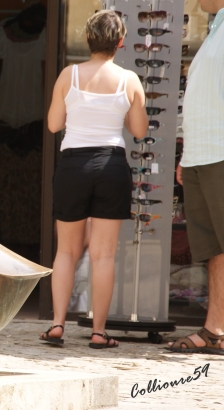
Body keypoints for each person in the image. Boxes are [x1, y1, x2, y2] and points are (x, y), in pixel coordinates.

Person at [40, 10, 147, 348]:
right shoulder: (129, 79)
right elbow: (139, 130)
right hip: (111, 165)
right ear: (120, 42)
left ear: (88, 40)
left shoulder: (68, 75)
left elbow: (55, 125)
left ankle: (57, 324)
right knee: (103, 255)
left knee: (66, 252)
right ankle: (99, 332)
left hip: (73, 165)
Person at [168, 0, 224, 365]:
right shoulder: (220, 22)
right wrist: (189, 152)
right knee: (220, 249)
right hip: (205, 155)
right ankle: (216, 331)